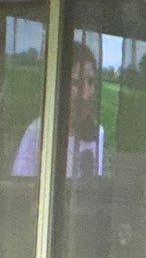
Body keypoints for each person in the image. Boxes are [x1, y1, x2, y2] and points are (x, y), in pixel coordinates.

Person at [12, 40, 105, 179]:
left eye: (91, 82)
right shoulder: (37, 133)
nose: (86, 94)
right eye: (76, 83)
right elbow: (21, 190)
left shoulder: (98, 133)